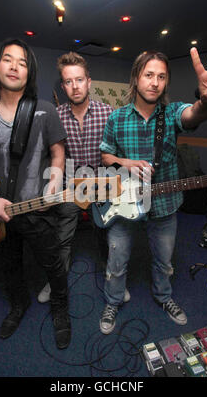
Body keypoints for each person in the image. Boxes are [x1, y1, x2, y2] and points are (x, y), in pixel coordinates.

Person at [98, 38, 207, 334]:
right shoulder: (117, 117)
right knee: (117, 260)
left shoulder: (171, 114)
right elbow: (105, 154)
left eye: (161, 76)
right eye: (149, 75)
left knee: (164, 261)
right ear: (136, 77)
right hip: (124, 203)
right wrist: (125, 162)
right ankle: (113, 300)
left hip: (163, 204)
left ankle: (164, 297)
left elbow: (195, 113)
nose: (155, 82)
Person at [0, 38, 71, 349]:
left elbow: (58, 154)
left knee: (53, 263)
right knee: (9, 265)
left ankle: (61, 310)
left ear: (30, 72)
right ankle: (18, 304)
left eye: (22, 62)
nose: (14, 66)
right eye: (7, 59)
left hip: (38, 210)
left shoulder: (46, 111)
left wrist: (53, 183)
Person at [37, 52, 123, 303]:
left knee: (109, 239)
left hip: (102, 186)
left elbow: (118, 153)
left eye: (79, 80)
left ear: (89, 81)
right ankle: (55, 283)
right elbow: (53, 156)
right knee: (61, 240)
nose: (75, 87)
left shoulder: (108, 112)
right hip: (70, 188)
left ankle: (114, 282)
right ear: (63, 86)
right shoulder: (56, 116)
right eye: (68, 81)